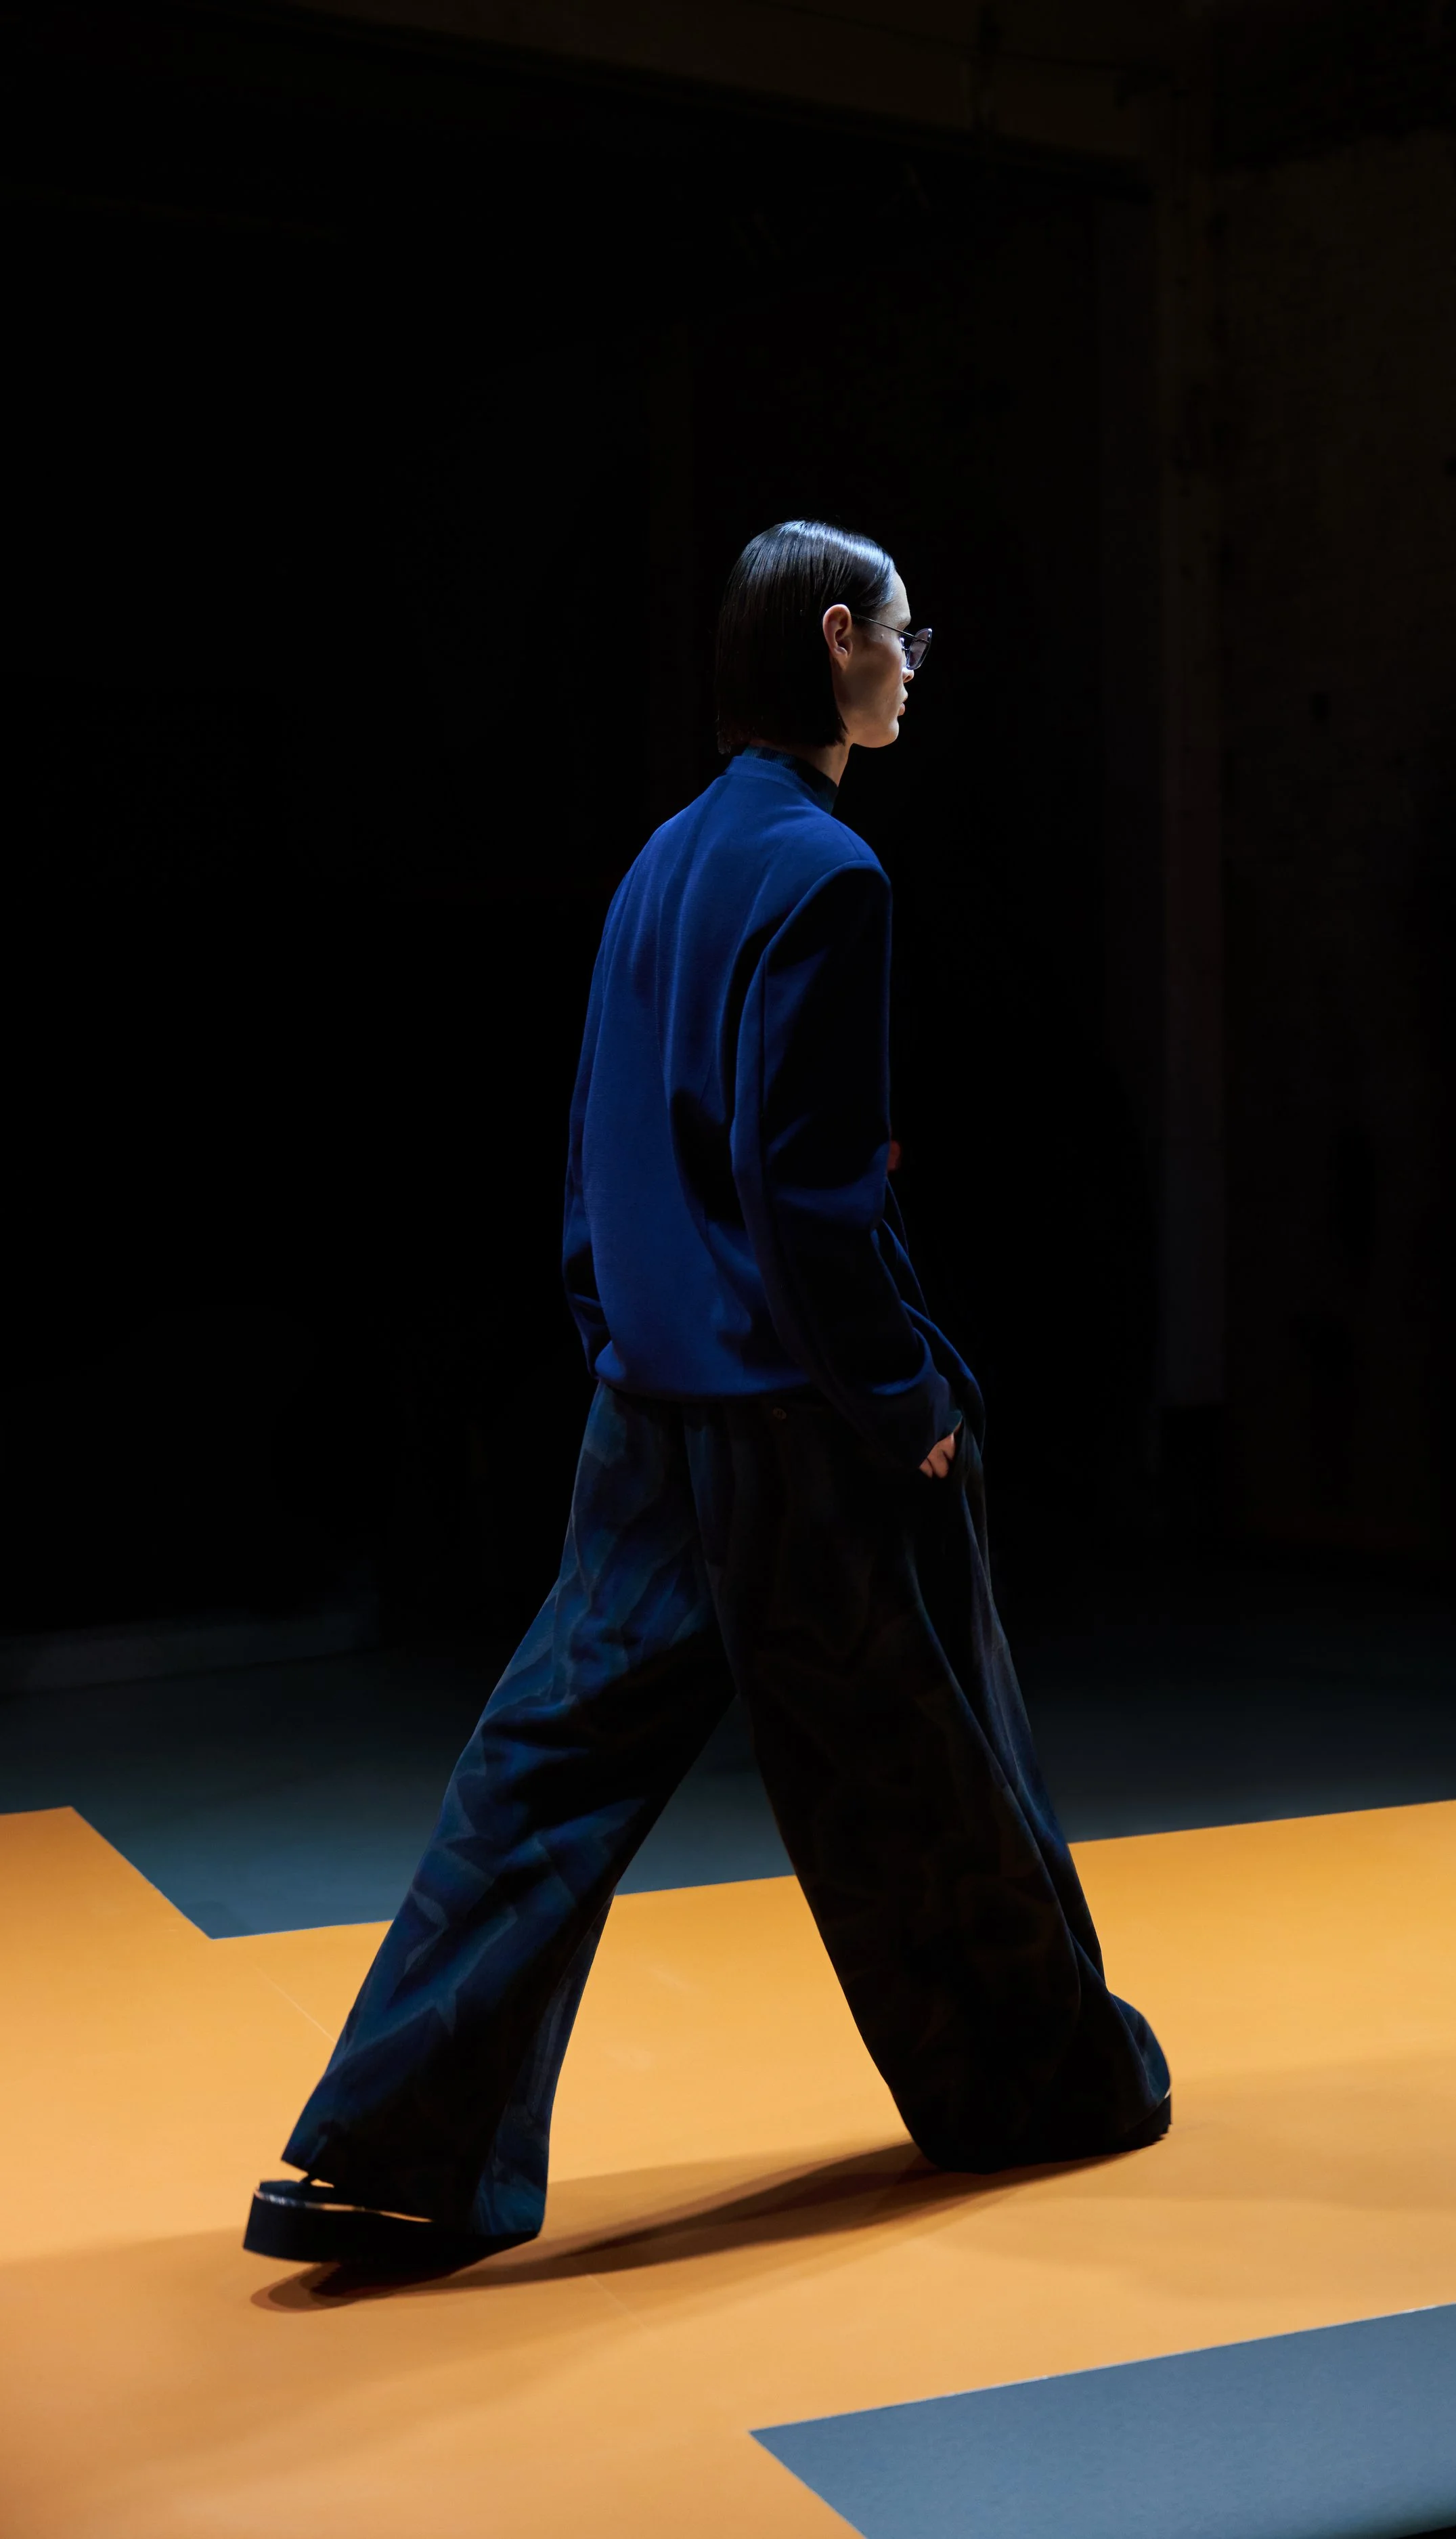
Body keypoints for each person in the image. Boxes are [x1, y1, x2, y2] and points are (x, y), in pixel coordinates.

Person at [246, 519, 1170, 2272]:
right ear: (837, 640)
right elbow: (807, 1193)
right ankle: (1039, 2086)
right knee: (920, 1767)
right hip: (791, 1421)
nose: (916, 657)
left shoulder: (661, 861)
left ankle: (382, 2149)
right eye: (901, 631)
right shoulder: (829, 876)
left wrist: (613, 1333)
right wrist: (898, 1394)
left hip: (646, 1403)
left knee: (537, 1780)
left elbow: (599, 1148)